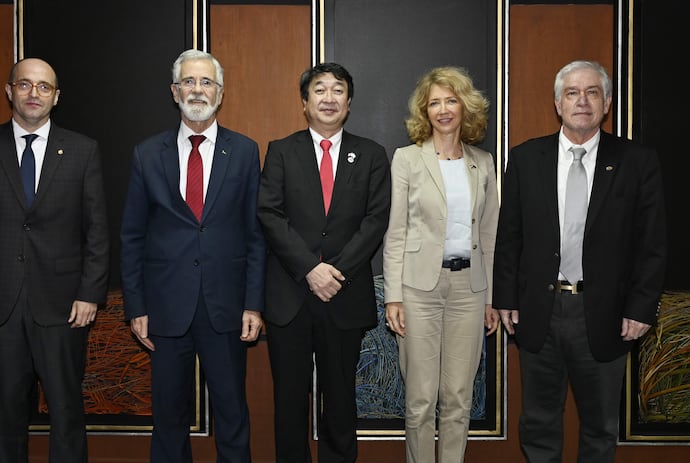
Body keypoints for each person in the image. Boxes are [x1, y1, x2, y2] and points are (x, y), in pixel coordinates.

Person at [493, 60, 667, 462]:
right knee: (538, 423)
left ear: (606, 103)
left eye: (592, 93)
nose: (582, 101)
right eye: (572, 93)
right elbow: (509, 236)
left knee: (600, 427)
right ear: (558, 103)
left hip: (607, 312)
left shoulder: (636, 161)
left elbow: (652, 244)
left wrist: (641, 307)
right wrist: (506, 297)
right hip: (539, 310)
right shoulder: (526, 158)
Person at [0, 58, 110, 462]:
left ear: (56, 97)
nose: (34, 94)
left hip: (63, 306)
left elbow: (97, 231)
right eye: (25, 85)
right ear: (9, 91)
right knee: (6, 417)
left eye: (44, 87)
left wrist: (90, 293)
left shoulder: (83, 150)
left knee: (67, 414)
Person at [119, 49, 265, 463]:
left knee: (232, 414)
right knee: (168, 417)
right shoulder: (148, 153)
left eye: (206, 82)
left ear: (220, 92)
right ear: (174, 91)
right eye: (188, 82)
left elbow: (256, 235)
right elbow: (132, 236)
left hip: (227, 307)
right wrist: (136, 306)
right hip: (165, 308)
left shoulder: (245, 151)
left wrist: (253, 303)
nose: (197, 90)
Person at [257, 62, 391, 463]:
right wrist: (310, 269)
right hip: (290, 297)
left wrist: (336, 273)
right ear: (304, 102)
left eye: (337, 90)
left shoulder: (370, 154)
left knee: (341, 401)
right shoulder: (281, 151)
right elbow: (269, 214)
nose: (328, 98)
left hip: (344, 296)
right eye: (319, 90)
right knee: (289, 402)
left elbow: (375, 220)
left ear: (349, 103)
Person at [382, 66, 500, 463]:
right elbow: (396, 232)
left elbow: (489, 235)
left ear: (465, 106)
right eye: (434, 103)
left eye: (451, 101)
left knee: (458, 399)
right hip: (418, 290)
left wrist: (490, 297)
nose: (443, 109)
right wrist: (393, 297)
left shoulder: (483, 162)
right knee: (420, 400)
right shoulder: (407, 159)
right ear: (425, 110)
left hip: (470, 290)